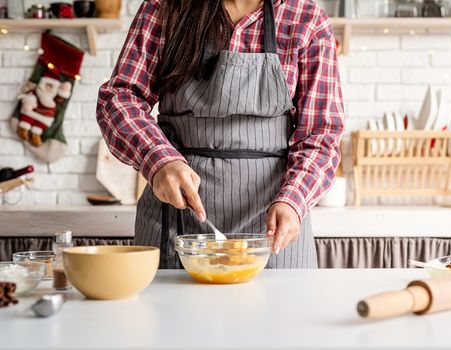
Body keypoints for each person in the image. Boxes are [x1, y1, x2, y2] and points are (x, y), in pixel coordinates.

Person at [96, 0, 344, 269]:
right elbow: (119, 98)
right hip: (176, 224)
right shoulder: (164, 8)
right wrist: (160, 160)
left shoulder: (306, 19)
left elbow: (321, 135)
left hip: (274, 228)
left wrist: (294, 200)